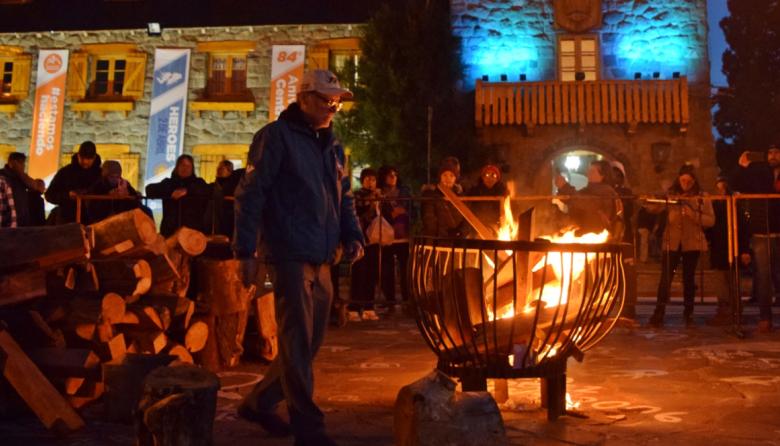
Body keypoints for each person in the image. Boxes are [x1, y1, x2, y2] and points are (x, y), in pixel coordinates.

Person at [233, 69, 363, 446]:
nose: (333, 107)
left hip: (322, 256)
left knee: (309, 342)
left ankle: (259, 402)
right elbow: (250, 194)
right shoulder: (275, 138)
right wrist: (245, 251)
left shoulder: (332, 145)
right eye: (327, 100)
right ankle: (309, 429)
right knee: (296, 341)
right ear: (304, 98)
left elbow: (344, 196)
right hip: (287, 256)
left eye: (337, 101)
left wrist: (352, 234)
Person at [645, 164, 715, 327]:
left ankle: (688, 314)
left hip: (692, 242)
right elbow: (654, 208)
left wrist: (693, 214)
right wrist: (654, 201)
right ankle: (659, 313)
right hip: (672, 242)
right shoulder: (672, 195)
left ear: (694, 181)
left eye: (688, 181)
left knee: (689, 279)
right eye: (682, 180)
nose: (685, 183)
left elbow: (710, 220)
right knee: (665, 278)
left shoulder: (702, 197)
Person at [731, 146, 780, 332]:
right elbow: (736, 185)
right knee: (764, 277)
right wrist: (742, 167)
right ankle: (765, 317)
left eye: (777, 152)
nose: (773, 155)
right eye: (770, 152)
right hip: (762, 232)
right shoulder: (760, 174)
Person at [145, 154, 210, 237]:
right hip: (170, 230)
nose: (185, 168)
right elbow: (149, 189)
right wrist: (171, 192)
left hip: (192, 230)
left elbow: (208, 189)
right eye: (182, 165)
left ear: (192, 168)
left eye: (188, 166)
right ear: (177, 167)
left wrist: (187, 191)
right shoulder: (168, 183)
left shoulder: (198, 183)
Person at [554, 159, 621, 237]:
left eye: (592, 171)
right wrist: (562, 189)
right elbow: (574, 200)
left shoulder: (606, 192)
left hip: (596, 236)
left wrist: (565, 187)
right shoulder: (588, 190)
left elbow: (586, 203)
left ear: (603, 175)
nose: (588, 174)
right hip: (583, 235)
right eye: (588, 171)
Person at [349, 168, 382, 321]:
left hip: (374, 239)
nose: (371, 182)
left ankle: (369, 306)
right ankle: (354, 307)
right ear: (362, 180)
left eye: (373, 179)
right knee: (358, 272)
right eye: (368, 179)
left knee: (372, 273)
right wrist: (371, 203)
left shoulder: (379, 196)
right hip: (361, 238)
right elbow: (357, 214)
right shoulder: (357, 195)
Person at [378, 165, 412, 308]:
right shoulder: (380, 193)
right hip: (387, 235)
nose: (393, 177)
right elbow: (380, 213)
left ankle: (407, 299)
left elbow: (410, 209)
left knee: (405, 268)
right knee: (387, 269)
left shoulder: (404, 192)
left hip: (403, 234)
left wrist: (404, 213)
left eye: (395, 175)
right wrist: (390, 214)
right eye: (389, 175)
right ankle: (389, 299)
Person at [45, 141, 102, 224]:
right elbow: (49, 195)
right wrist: (68, 195)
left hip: (94, 221)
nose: (85, 162)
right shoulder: (65, 172)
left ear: (94, 158)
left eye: (89, 159)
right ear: (78, 155)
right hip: (68, 220)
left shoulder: (101, 174)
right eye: (82, 158)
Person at [422, 156, 469, 237]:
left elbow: (467, 221)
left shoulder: (461, 197)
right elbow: (429, 219)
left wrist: (460, 233)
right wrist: (439, 236)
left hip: (457, 241)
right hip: (437, 240)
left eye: (451, 175)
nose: (448, 178)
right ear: (440, 176)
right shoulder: (431, 195)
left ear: (455, 178)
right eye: (445, 175)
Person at [0, 152, 46, 226]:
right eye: (21, 163)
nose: (23, 167)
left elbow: (34, 186)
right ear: (13, 162)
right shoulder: (3, 176)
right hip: (6, 223)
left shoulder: (21, 178)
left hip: (20, 222)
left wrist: (20, 172)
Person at [467, 163, 508, 233]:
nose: (490, 178)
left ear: (497, 179)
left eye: (493, 175)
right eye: (487, 175)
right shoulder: (475, 192)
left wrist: (508, 194)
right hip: (476, 225)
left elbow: (511, 210)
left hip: (496, 226)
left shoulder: (502, 192)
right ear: (482, 177)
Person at [210, 159, 242, 238]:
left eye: (221, 168)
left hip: (230, 221)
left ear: (229, 171)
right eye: (218, 167)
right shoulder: (214, 186)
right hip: (217, 221)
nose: (218, 170)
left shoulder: (235, 185)